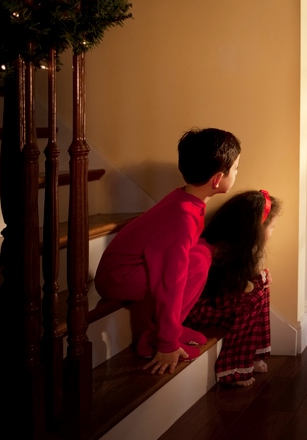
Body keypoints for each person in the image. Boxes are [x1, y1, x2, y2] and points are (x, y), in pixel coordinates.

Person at [95, 127, 241, 375]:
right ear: (217, 179)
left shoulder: (186, 201)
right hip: (119, 278)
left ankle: (170, 328)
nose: (237, 173)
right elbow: (169, 282)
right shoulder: (181, 216)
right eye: (236, 169)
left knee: (203, 251)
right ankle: (155, 338)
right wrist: (167, 343)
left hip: (128, 270)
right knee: (197, 261)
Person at [183, 190, 281, 387]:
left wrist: (259, 278)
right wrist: (253, 283)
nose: (272, 232)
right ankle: (233, 369)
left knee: (261, 288)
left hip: (212, 301)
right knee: (252, 298)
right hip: (195, 310)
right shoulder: (217, 252)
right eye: (271, 227)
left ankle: (255, 353)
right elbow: (225, 288)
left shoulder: (237, 249)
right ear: (255, 230)